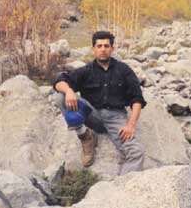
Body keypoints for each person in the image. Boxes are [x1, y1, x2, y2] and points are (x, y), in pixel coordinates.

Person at [53, 30, 146, 175]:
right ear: (93, 49)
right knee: (60, 97)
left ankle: (123, 185)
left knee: (136, 152)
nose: (103, 49)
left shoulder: (124, 70)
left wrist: (131, 125)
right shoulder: (86, 70)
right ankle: (86, 136)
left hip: (116, 117)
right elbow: (59, 81)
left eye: (106, 46)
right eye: (99, 46)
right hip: (92, 115)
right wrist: (69, 91)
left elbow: (137, 99)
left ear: (112, 49)